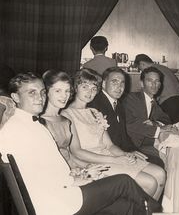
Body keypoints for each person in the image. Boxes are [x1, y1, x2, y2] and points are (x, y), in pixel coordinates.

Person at [0, 72, 161, 215]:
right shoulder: (19, 129)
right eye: (32, 93)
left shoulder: (29, 125)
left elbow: (49, 166)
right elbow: (38, 174)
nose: (40, 98)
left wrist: (80, 174)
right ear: (15, 97)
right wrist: (79, 178)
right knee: (124, 183)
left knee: (125, 206)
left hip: (62, 191)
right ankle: (156, 211)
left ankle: (151, 210)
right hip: (57, 201)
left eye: (42, 93)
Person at [63, 68, 165, 200]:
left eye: (94, 88)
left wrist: (125, 154)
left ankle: (145, 209)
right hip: (92, 161)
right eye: (85, 87)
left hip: (110, 156)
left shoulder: (95, 112)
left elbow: (110, 145)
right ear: (75, 87)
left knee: (160, 174)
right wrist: (115, 159)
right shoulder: (67, 114)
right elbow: (76, 152)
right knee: (150, 183)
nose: (90, 92)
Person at [88, 67, 165, 168]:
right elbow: (103, 142)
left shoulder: (118, 104)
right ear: (103, 84)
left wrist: (133, 151)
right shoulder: (96, 104)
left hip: (123, 150)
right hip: (107, 155)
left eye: (122, 83)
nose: (119, 87)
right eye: (114, 82)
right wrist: (126, 154)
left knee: (157, 161)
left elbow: (123, 136)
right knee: (157, 164)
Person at [123, 66, 176, 159]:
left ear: (160, 84)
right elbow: (131, 124)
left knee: (173, 153)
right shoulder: (131, 99)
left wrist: (155, 123)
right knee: (169, 157)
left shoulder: (152, 101)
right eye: (150, 81)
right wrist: (159, 129)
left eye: (157, 81)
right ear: (142, 84)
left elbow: (166, 119)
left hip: (147, 141)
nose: (154, 84)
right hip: (133, 145)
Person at [134, 53, 179, 124]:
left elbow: (154, 91)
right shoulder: (162, 67)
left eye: (140, 69)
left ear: (142, 64)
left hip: (170, 102)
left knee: (167, 127)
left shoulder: (153, 71)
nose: (142, 71)